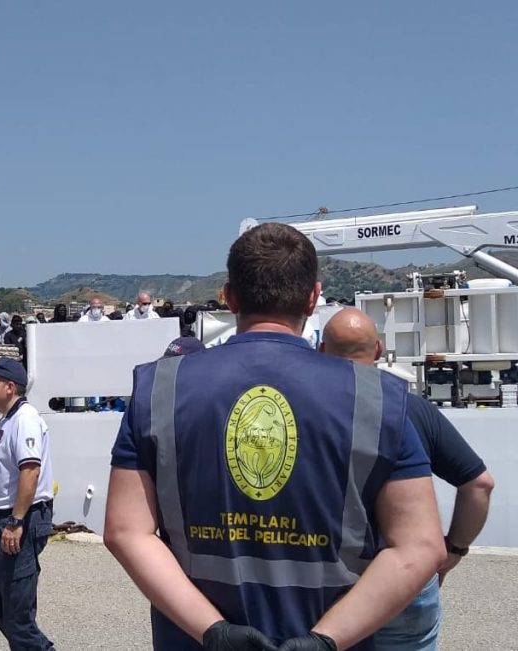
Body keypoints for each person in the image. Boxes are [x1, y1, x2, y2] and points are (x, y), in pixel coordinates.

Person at [104, 223, 445, 651]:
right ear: (313, 297)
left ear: (229, 297)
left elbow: (125, 532)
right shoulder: (377, 399)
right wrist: (325, 640)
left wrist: (215, 631)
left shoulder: (158, 391)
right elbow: (419, 547)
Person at [321, 307, 496, 651]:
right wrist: (453, 550)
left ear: (322, 351)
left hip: (337, 580)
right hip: (407, 583)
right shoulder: (410, 406)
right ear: (378, 350)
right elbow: (480, 484)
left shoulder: (311, 409)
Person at [0, 358, 55, 651]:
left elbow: (30, 470)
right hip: (4, 517)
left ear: (9, 387)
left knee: (18, 612)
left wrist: (16, 522)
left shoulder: (25, 419)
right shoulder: (8, 420)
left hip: (21, 517)